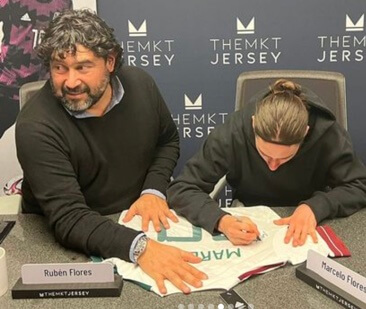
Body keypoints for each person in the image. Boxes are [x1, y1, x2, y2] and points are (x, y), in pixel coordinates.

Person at [16, 9, 207, 295]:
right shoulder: (36, 126)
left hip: (136, 219)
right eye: (59, 68)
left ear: (110, 62)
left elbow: (167, 141)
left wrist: (153, 191)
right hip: (67, 242)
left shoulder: (141, 84)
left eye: (83, 67)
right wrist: (141, 248)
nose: (70, 81)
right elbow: (69, 217)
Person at [167, 79, 366, 248]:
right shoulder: (233, 132)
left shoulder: (327, 133)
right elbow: (182, 189)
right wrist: (221, 220)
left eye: (284, 159)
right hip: (249, 210)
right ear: (254, 124)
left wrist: (317, 206)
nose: (272, 166)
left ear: (306, 133)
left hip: (311, 216)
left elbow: (359, 186)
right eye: (265, 155)